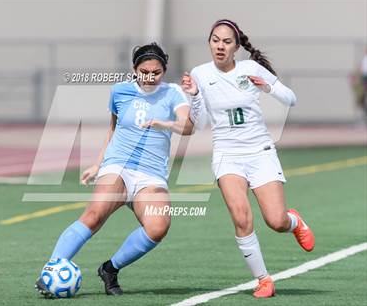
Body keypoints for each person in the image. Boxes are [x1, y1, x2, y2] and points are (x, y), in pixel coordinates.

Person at [35, 42, 194, 297]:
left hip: (152, 174)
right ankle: (50, 270)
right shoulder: (119, 91)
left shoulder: (173, 93)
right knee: (95, 214)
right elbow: (113, 129)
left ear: (164, 70)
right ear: (134, 69)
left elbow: (188, 126)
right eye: (144, 71)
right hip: (119, 164)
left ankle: (110, 269)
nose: (150, 77)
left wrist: (165, 123)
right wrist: (99, 164)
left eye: (156, 72)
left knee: (158, 226)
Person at [182, 19, 315, 298]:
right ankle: (263, 279)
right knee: (242, 219)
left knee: (275, 221)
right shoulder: (200, 74)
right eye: (215, 40)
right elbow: (201, 122)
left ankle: (294, 222)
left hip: (260, 152)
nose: (220, 46)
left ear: (237, 46)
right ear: (209, 42)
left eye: (227, 41)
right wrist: (194, 96)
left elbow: (291, 99)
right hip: (226, 155)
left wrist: (267, 87)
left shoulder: (251, 68)